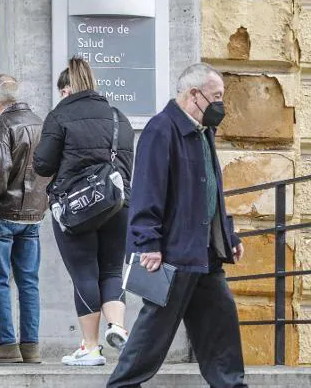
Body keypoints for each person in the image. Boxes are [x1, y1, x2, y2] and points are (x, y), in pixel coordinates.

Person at [107, 63, 247, 387]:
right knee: (152, 336)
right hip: (172, 255)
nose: (220, 105)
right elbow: (146, 192)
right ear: (193, 95)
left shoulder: (203, 133)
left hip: (205, 255)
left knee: (221, 328)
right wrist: (147, 244)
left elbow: (209, 192)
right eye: (216, 96)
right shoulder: (162, 129)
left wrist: (228, 234)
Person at [34, 57, 134, 366]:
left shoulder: (59, 115)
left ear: (65, 90)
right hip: (117, 204)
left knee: (85, 274)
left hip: (76, 207)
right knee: (113, 271)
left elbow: (43, 165)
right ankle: (117, 326)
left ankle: (90, 348)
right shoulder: (118, 117)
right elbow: (127, 164)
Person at [0, 74, 48, 364]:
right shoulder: (42, 124)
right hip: (32, 216)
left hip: (1, 214)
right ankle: (31, 346)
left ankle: (6, 344)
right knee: (29, 282)